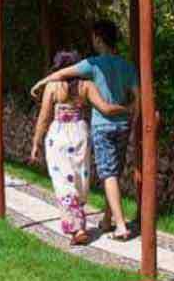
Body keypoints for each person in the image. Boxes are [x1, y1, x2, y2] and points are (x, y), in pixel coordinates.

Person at [32, 20, 139, 241]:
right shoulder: (126, 66)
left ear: (99, 39)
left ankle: (118, 225)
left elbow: (61, 76)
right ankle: (108, 220)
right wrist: (132, 114)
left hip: (99, 127)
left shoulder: (91, 64)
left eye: (94, 38)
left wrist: (41, 82)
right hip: (119, 126)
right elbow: (138, 98)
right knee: (110, 174)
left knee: (106, 174)